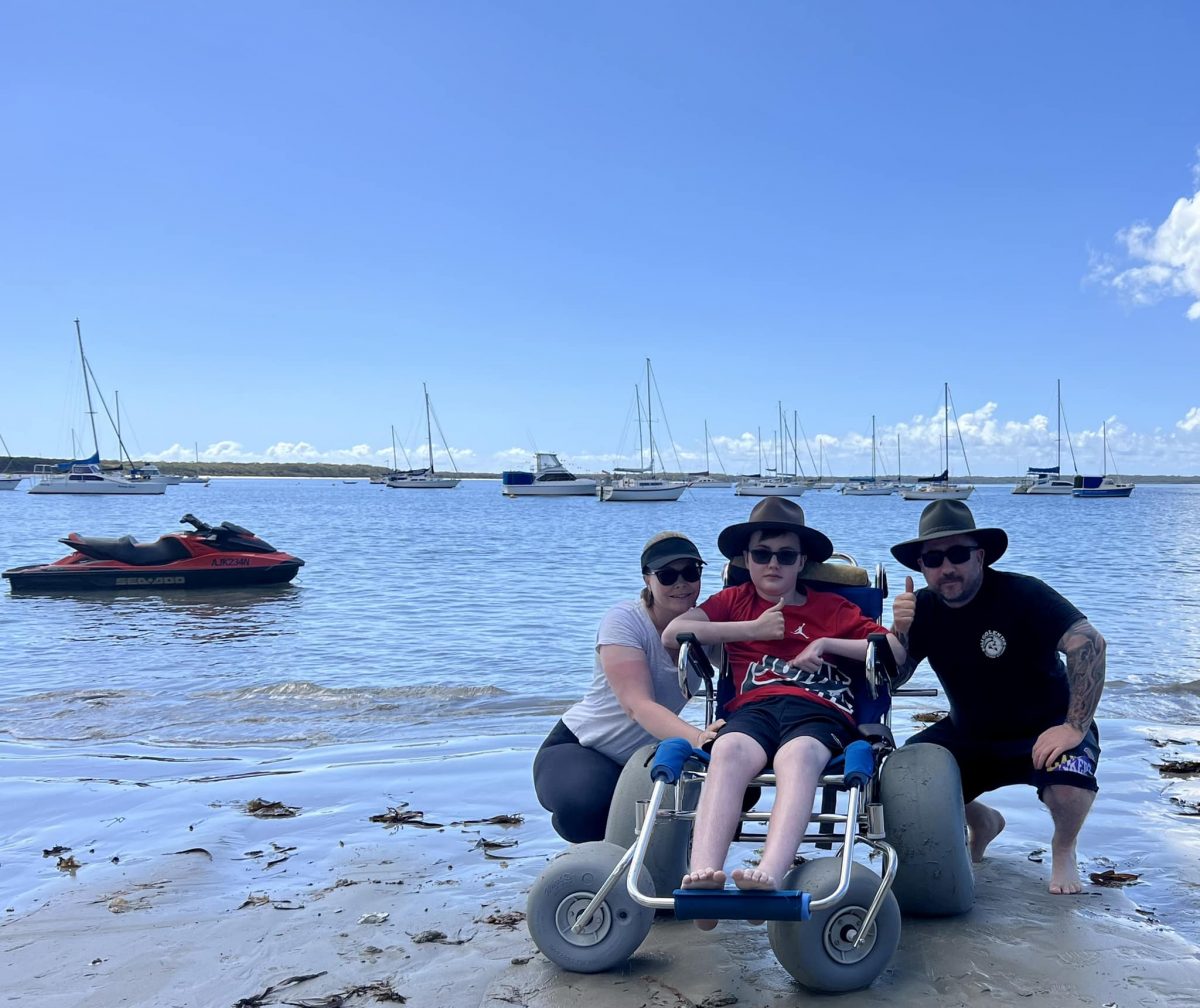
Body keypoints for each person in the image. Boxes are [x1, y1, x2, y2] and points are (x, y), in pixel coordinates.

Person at [662, 498, 905, 927]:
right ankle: (702, 877)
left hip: (819, 710)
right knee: (729, 750)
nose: (773, 564)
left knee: (799, 758)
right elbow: (673, 633)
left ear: (802, 561)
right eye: (762, 554)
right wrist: (750, 630)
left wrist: (827, 644)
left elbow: (895, 652)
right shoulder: (734, 602)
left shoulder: (832, 609)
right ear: (745, 559)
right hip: (752, 708)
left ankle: (769, 873)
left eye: (785, 555)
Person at [889, 499, 1106, 896]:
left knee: (1069, 783)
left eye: (957, 554)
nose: (946, 567)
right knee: (903, 778)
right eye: (933, 559)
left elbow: (1087, 642)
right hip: (969, 734)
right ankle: (984, 821)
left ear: (980, 556)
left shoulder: (1022, 593)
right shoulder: (920, 609)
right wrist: (899, 634)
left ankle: (1063, 847)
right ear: (921, 567)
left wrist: (1074, 726)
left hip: (1044, 730)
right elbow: (893, 681)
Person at [533, 531, 724, 844]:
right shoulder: (624, 620)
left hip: (645, 757)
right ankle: (595, 867)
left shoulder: (703, 628)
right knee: (586, 806)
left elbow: (746, 670)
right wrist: (700, 740)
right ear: (647, 580)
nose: (681, 583)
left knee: (741, 785)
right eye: (667, 575)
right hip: (583, 747)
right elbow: (637, 705)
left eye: (691, 573)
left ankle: (672, 863)